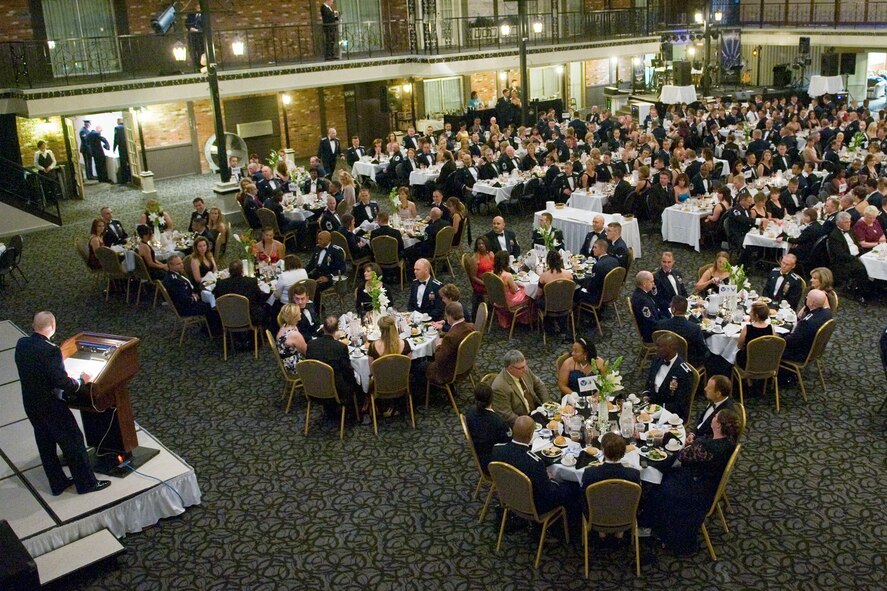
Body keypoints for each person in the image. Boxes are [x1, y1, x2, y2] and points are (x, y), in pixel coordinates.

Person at [15, 311, 110, 495]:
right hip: (51, 405)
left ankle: (58, 483)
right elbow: (63, 382)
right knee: (73, 441)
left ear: (34, 325)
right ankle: (87, 483)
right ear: (53, 326)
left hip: (31, 404)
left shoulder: (22, 344)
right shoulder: (50, 350)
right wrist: (82, 381)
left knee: (46, 444)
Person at [640, 409, 740, 554]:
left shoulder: (706, 448)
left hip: (696, 489)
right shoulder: (728, 442)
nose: (712, 418)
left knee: (660, 482)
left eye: (715, 417)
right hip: (707, 481)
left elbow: (681, 456)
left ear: (718, 425)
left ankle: (649, 524)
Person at [489, 416, 578, 520]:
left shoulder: (497, 450)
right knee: (574, 487)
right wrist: (554, 481)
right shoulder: (534, 462)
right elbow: (549, 494)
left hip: (508, 497)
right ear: (531, 435)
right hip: (533, 506)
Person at [306, 316, 363, 417]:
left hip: (314, 388)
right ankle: (357, 409)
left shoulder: (311, 344)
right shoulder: (340, 347)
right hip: (337, 391)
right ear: (337, 330)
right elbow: (348, 372)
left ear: (323, 328)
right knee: (357, 380)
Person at [490, 349, 553, 426]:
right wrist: (527, 424)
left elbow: (539, 385)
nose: (525, 369)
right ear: (510, 368)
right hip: (520, 421)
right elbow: (506, 414)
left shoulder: (524, 369)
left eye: (525, 366)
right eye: (521, 368)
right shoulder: (499, 387)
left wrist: (547, 404)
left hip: (536, 410)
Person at [642, 332, 693, 420]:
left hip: (670, 413)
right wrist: (646, 396)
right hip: (652, 405)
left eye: (659, 346)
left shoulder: (684, 372)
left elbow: (680, 403)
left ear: (671, 348)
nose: (656, 349)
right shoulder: (657, 359)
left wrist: (658, 409)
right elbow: (649, 382)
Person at [424, 302, 476, 387]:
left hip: (448, 373)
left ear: (450, 316)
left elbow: (439, 359)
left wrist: (438, 345)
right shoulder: (471, 327)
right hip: (466, 365)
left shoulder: (451, 336)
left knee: (419, 366)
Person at [465, 383, 511, 471]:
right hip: (495, 464)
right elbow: (509, 443)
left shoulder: (470, 412)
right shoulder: (498, 422)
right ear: (491, 399)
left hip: (480, 455)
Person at [655, 296, 708, 368]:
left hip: (666, 357)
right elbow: (702, 349)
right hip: (689, 362)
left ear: (673, 309)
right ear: (686, 310)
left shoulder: (661, 325)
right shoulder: (694, 328)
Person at [781, 289, 832, 363]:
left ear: (812, 303)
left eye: (807, 297)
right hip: (812, 349)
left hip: (798, 353)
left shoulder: (806, 323)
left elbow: (792, 341)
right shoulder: (827, 313)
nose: (806, 298)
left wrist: (778, 337)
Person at [686, 375, 738, 443]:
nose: (705, 389)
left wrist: (694, 441)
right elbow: (702, 421)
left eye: (709, 388)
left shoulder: (726, 414)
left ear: (718, 394)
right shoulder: (715, 400)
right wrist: (692, 433)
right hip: (697, 436)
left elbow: (716, 439)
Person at [214, 260, 267, 327]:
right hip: (249, 317)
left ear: (229, 271)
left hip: (228, 318)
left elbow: (217, 300)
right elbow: (259, 298)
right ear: (242, 270)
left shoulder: (220, 284)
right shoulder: (250, 282)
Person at [828, 211, 870, 294]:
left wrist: (863, 254)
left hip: (856, 256)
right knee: (863, 269)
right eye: (845, 222)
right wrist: (856, 258)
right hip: (845, 261)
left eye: (849, 221)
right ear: (838, 223)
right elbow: (840, 254)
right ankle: (862, 292)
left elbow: (857, 244)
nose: (848, 224)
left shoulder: (850, 230)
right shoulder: (834, 236)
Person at [162, 255, 215, 322]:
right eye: (178, 264)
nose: (182, 265)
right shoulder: (175, 281)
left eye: (181, 262)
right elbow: (185, 300)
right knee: (212, 305)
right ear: (171, 266)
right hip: (185, 308)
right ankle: (211, 328)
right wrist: (195, 297)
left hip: (184, 303)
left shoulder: (172, 275)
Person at [305, 231, 346, 312]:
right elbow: (311, 264)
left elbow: (342, 269)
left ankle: (318, 309)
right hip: (317, 274)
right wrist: (302, 272)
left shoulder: (336, 251)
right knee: (303, 282)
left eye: (320, 239)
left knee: (314, 287)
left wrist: (328, 277)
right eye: (318, 239)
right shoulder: (317, 248)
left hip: (329, 278)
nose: (318, 241)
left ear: (328, 240)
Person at [492, 250, 533, 329]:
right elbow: (514, 290)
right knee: (529, 293)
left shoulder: (493, 273)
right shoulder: (507, 275)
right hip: (508, 302)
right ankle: (526, 320)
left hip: (498, 299)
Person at [577, 238, 619, 308]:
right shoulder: (615, 261)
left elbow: (592, 287)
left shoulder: (598, 266)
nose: (593, 249)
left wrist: (582, 285)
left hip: (597, 296)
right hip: (611, 292)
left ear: (602, 249)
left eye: (595, 247)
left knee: (576, 292)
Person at [734, 301, 774, 370]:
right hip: (765, 363)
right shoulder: (771, 328)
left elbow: (739, 346)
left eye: (751, 312)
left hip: (747, 363)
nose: (749, 313)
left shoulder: (747, 328)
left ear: (756, 315)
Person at [631, 271, 662, 343]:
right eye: (652, 282)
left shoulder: (642, 293)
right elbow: (650, 322)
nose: (653, 284)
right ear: (644, 284)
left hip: (654, 324)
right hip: (651, 333)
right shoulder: (642, 301)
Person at [652, 251, 687, 315]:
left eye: (669, 262)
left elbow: (683, 290)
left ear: (673, 262)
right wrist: (673, 307)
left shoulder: (677, 273)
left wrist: (686, 302)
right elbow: (659, 299)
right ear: (661, 262)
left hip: (681, 306)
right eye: (664, 262)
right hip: (668, 309)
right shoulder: (656, 278)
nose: (666, 265)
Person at [276, 303, 307, 374]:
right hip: (295, 366)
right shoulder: (294, 335)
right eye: (298, 312)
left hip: (286, 362)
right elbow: (307, 352)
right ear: (295, 317)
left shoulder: (284, 326)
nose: (300, 313)